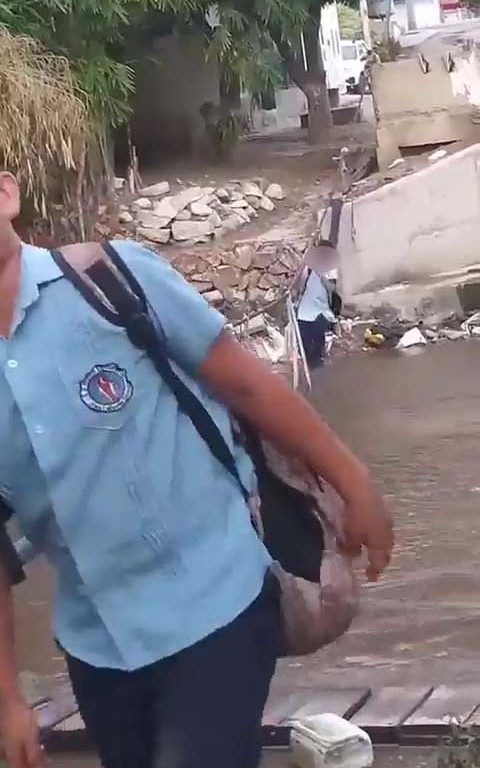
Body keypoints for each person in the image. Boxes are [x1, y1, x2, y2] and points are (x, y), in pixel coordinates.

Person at [0, 172, 393, 768]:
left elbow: (247, 384)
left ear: (7, 194)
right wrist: (7, 700)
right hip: (97, 647)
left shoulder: (110, 281)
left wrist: (351, 478)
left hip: (217, 601)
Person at [296, 268, 341, 369]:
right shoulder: (310, 268)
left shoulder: (325, 269)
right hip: (307, 313)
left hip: (311, 312)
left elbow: (330, 289)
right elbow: (301, 285)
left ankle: (313, 365)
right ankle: (314, 366)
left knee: (313, 343)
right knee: (312, 343)